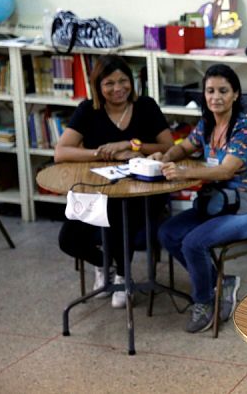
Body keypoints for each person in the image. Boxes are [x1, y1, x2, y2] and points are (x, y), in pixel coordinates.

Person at [152, 64, 247, 333]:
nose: (216, 97)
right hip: (218, 202)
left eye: (223, 91)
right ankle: (222, 281)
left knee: (194, 242)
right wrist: (165, 157)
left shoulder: (245, 129)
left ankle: (204, 301)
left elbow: (227, 169)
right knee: (168, 233)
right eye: (210, 91)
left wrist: (185, 170)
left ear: (236, 94)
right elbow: (184, 147)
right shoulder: (207, 124)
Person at [55, 55, 174, 308]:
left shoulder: (145, 106)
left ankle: (123, 275)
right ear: (98, 86)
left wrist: (131, 144)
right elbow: (61, 152)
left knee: (121, 219)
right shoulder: (88, 110)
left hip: (143, 191)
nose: (118, 88)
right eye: (109, 83)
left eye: (123, 81)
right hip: (100, 190)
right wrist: (101, 153)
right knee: (68, 238)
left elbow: (167, 145)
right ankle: (105, 265)